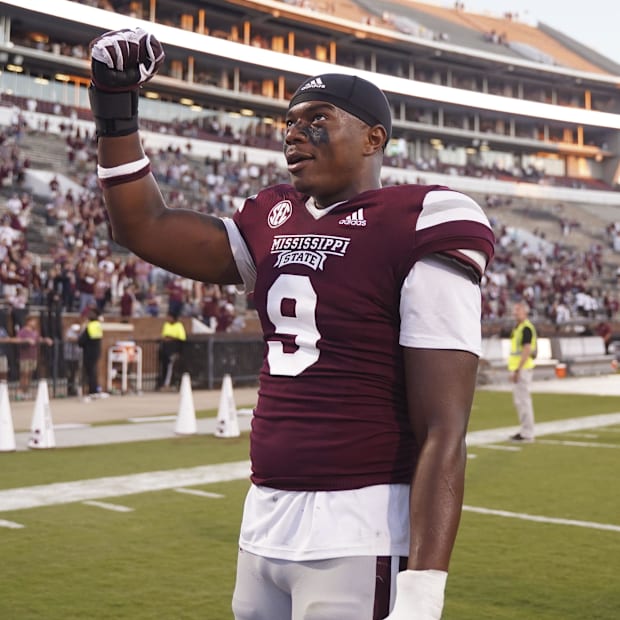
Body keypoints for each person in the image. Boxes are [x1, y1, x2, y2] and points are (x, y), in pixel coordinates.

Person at [88, 27, 495, 620]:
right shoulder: (271, 215)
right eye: (290, 123)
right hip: (264, 517)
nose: (294, 135)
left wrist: (423, 590)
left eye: (318, 119)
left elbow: (444, 426)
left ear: (373, 138)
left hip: (362, 524)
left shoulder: (422, 218)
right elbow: (143, 226)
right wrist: (116, 110)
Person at [507, 301, 537, 442]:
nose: (514, 313)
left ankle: (527, 432)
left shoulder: (525, 328)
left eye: (517, 310)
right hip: (519, 368)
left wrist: (518, 369)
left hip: (522, 368)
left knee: (523, 401)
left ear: (524, 311)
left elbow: (526, 349)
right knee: (520, 401)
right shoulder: (518, 328)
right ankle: (525, 430)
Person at [16, 315, 53, 398]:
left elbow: (38, 339)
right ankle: (21, 390)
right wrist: (26, 340)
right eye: (33, 321)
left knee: (30, 374)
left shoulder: (35, 332)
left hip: (33, 355)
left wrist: (46, 340)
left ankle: (26, 390)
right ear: (28, 321)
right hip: (25, 356)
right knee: (24, 374)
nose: (34, 323)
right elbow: (17, 340)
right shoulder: (23, 331)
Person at [78, 307, 105, 401]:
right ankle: (94, 390)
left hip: (89, 351)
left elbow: (82, 340)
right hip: (96, 350)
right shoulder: (98, 325)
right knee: (93, 371)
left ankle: (92, 391)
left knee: (90, 372)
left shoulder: (90, 326)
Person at [157, 312, 186, 390]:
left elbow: (182, 338)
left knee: (171, 366)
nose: (168, 319)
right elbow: (164, 336)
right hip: (165, 350)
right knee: (164, 366)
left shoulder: (179, 325)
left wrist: (171, 338)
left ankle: (168, 384)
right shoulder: (166, 325)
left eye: (169, 317)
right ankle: (163, 383)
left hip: (173, 349)